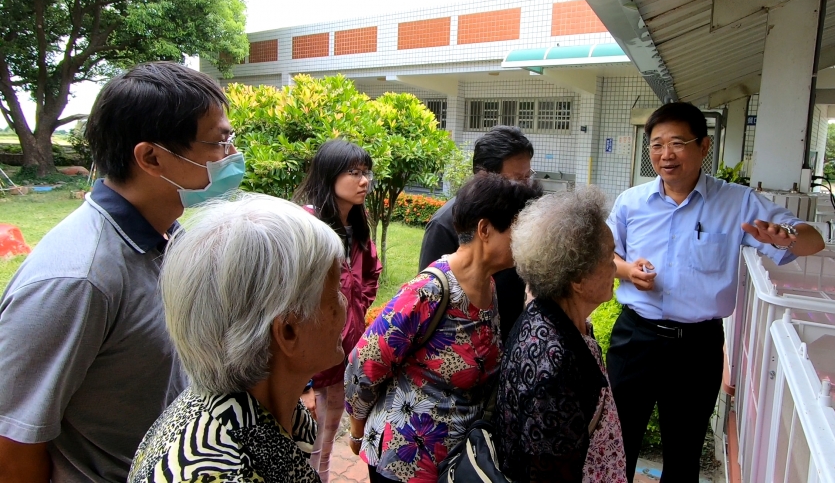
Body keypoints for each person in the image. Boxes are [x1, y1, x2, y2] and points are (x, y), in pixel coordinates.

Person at [0, 62, 240, 483]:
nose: (232, 156)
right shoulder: (78, 280)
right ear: (151, 157)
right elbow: (12, 445)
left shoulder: (168, 236)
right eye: (219, 142)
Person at [606, 102, 825, 482]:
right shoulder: (631, 202)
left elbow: (814, 241)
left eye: (677, 143)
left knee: (685, 449)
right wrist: (626, 270)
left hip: (697, 346)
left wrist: (786, 237)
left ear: (704, 147)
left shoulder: (738, 202)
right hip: (635, 337)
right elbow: (604, 255)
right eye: (656, 145)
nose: (665, 155)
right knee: (615, 441)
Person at [127, 195, 347, 483]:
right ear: (289, 331)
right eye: (335, 292)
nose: (344, 305)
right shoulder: (216, 470)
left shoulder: (258, 407)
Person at [346, 173, 543, 483]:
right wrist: (357, 431)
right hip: (405, 459)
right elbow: (365, 362)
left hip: (455, 461)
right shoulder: (429, 290)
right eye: (518, 229)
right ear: (484, 230)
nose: (525, 240)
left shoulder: (488, 287)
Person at [496, 187, 628, 483]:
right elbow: (549, 470)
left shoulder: (558, 319)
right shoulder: (553, 364)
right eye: (609, 256)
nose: (615, 266)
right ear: (579, 278)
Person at [293, 140, 383, 481]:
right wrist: (304, 383)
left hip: (342, 361)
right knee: (300, 449)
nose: (364, 182)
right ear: (329, 175)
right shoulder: (307, 227)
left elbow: (372, 273)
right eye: (354, 173)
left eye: (366, 173)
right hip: (308, 365)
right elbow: (290, 302)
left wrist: (355, 308)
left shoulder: (357, 229)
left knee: (323, 446)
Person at [419, 125, 534, 341]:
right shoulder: (445, 224)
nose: (525, 188)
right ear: (485, 177)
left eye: (528, 177)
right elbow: (428, 300)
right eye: (517, 180)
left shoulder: (523, 217)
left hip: (508, 340)